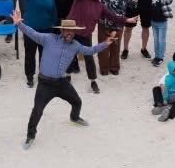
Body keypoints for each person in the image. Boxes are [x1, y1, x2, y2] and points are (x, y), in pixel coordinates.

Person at [13, 10, 115, 150]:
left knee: (77, 102)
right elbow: (32, 33)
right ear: (61, 30)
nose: (70, 33)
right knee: (37, 111)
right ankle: (30, 136)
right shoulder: (48, 38)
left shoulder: (75, 45)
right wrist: (19, 24)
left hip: (61, 83)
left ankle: (74, 118)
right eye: (67, 30)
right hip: (45, 83)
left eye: (72, 31)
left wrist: (105, 44)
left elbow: (90, 50)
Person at [66, 0, 136, 93]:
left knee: (89, 58)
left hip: (86, 35)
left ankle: (93, 81)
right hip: (72, 32)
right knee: (69, 55)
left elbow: (112, 16)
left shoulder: (100, 6)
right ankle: (67, 75)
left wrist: (127, 20)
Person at [17, 0, 55, 87]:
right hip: (31, 29)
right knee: (30, 54)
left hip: (46, 29)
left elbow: (53, 10)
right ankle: (30, 76)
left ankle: (43, 76)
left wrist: (54, 25)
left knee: (45, 55)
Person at [98, 0, 135, 76]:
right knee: (103, 46)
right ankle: (104, 68)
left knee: (116, 46)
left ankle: (114, 67)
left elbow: (132, 6)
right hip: (104, 22)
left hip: (118, 23)